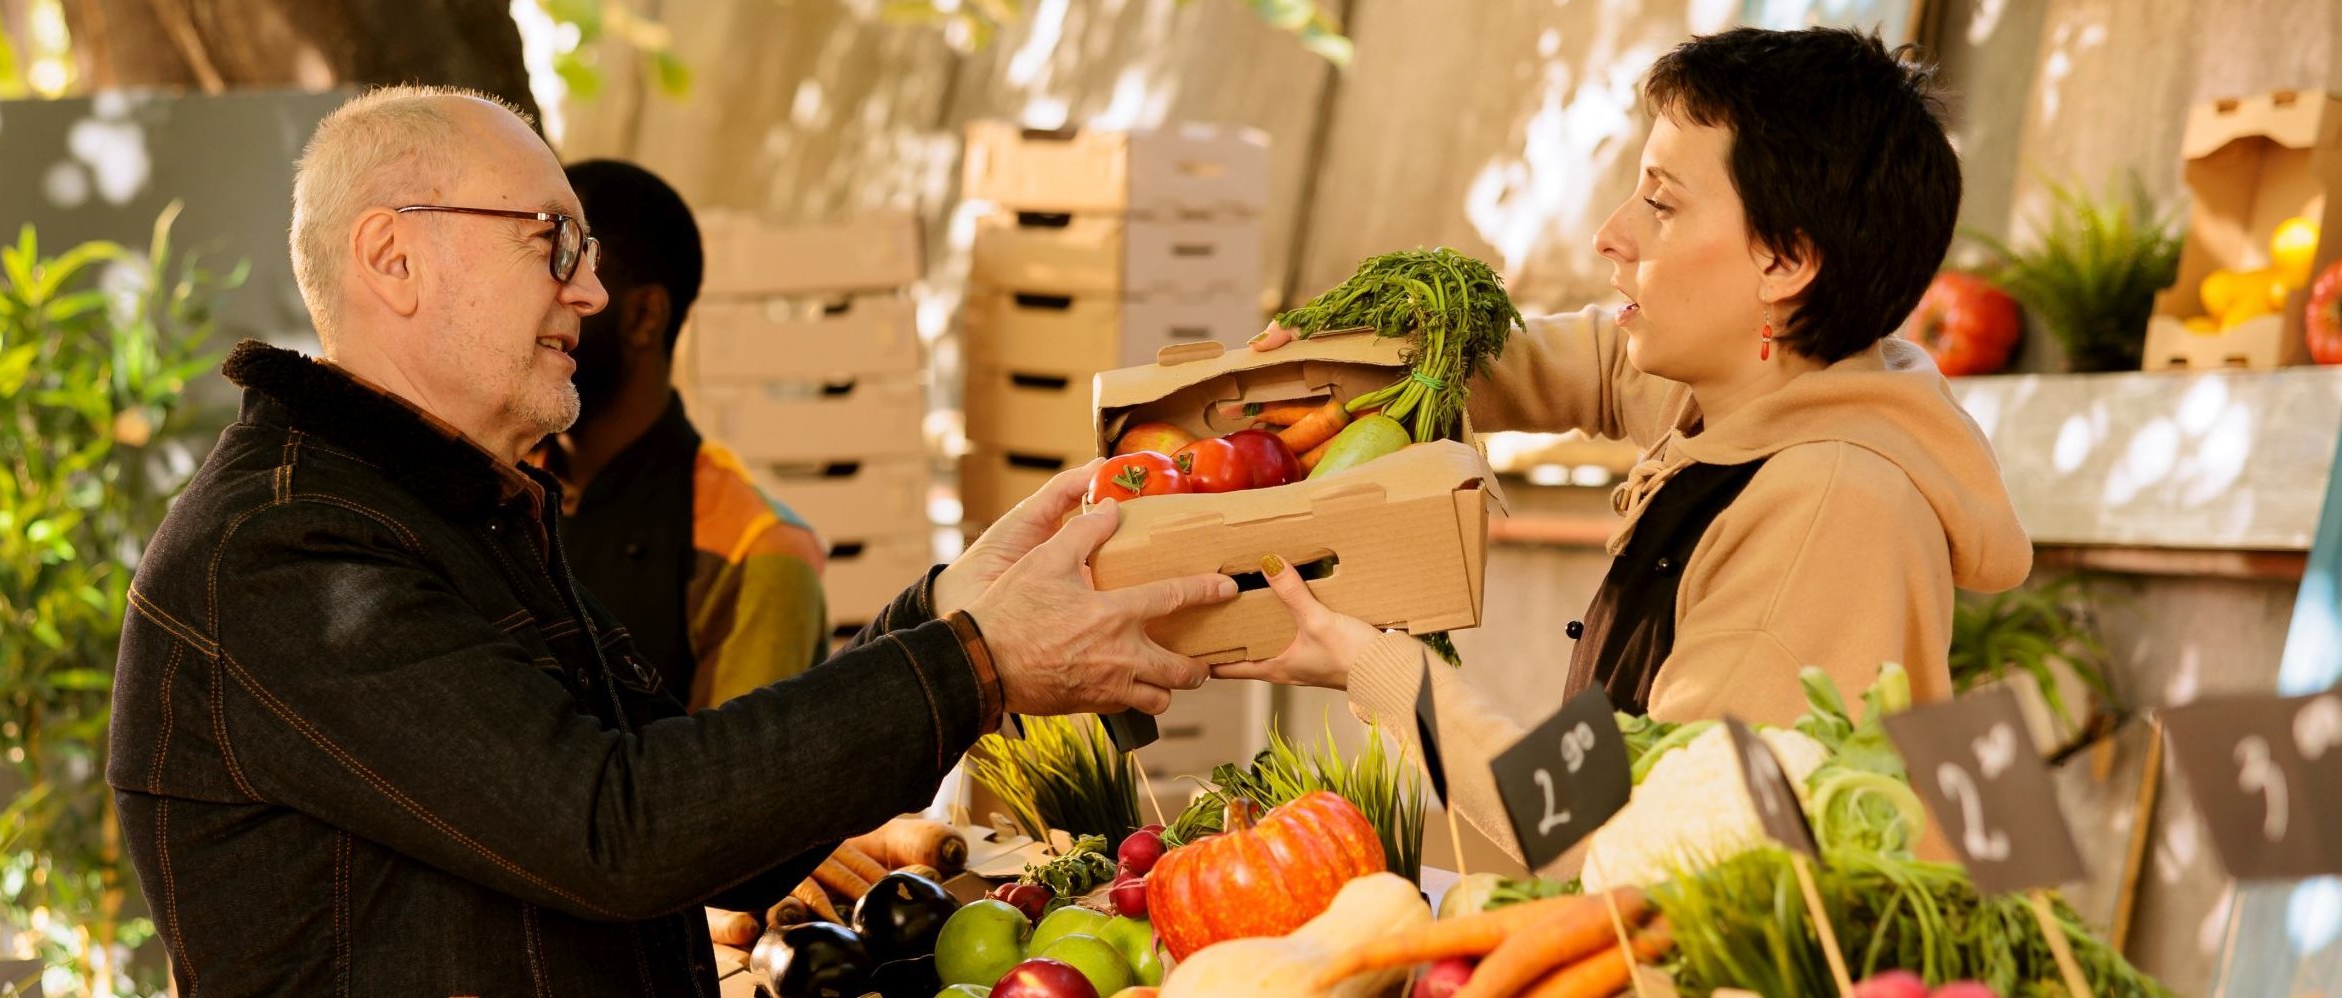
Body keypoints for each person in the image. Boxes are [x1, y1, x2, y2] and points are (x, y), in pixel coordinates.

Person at [104, 85, 1234, 993]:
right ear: (391, 258)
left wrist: (938, 620)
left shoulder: (452, 508)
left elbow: (703, 827)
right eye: (552, 242)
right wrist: (975, 659)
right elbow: (618, 828)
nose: (591, 291)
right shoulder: (282, 552)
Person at [1228, 27, 2031, 871]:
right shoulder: (1766, 383)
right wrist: (1377, 371)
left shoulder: (1824, 515)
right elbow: (1599, 363)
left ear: (1786, 259)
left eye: (1661, 203)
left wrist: (1380, 669)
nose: (1610, 235)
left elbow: (1637, 848)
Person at [534, 158, 832, 709]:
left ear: (644, 316)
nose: (534, 302)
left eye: (567, 267)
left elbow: (737, 789)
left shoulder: (759, 552)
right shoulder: (499, 480)